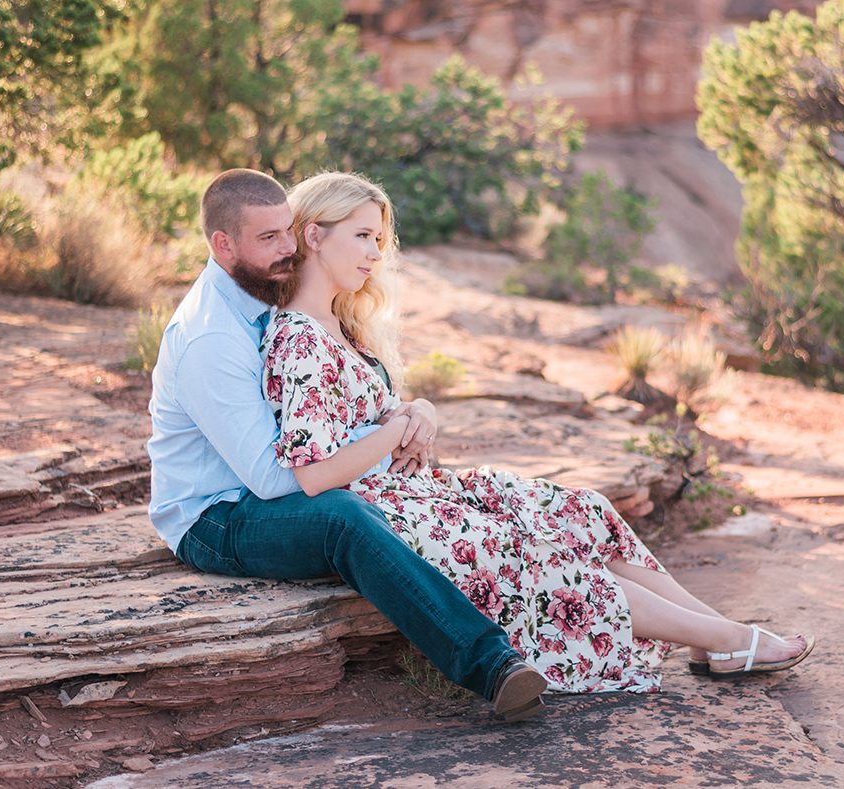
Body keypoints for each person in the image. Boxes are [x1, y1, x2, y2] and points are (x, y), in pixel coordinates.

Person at [262, 171, 815, 692]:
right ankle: (734, 641)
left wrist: (419, 410)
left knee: (583, 510)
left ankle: (714, 634)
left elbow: (371, 415)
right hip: (384, 514)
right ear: (314, 234)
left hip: (422, 489)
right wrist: (399, 428)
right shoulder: (299, 339)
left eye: (379, 239)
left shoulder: (342, 323)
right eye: (362, 236)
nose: (375, 254)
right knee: (542, 552)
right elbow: (314, 475)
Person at [147, 169, 548, 722]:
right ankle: (492, 666)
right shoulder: (211, 336)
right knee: (341, 515)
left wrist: (410, 418)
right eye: (268, 240)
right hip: (216, 516)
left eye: (287, 231)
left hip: (265, 486)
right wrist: (383, 442)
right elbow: (272, 479)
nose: (287, 248)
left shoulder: (268, 297)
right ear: (223, 245)